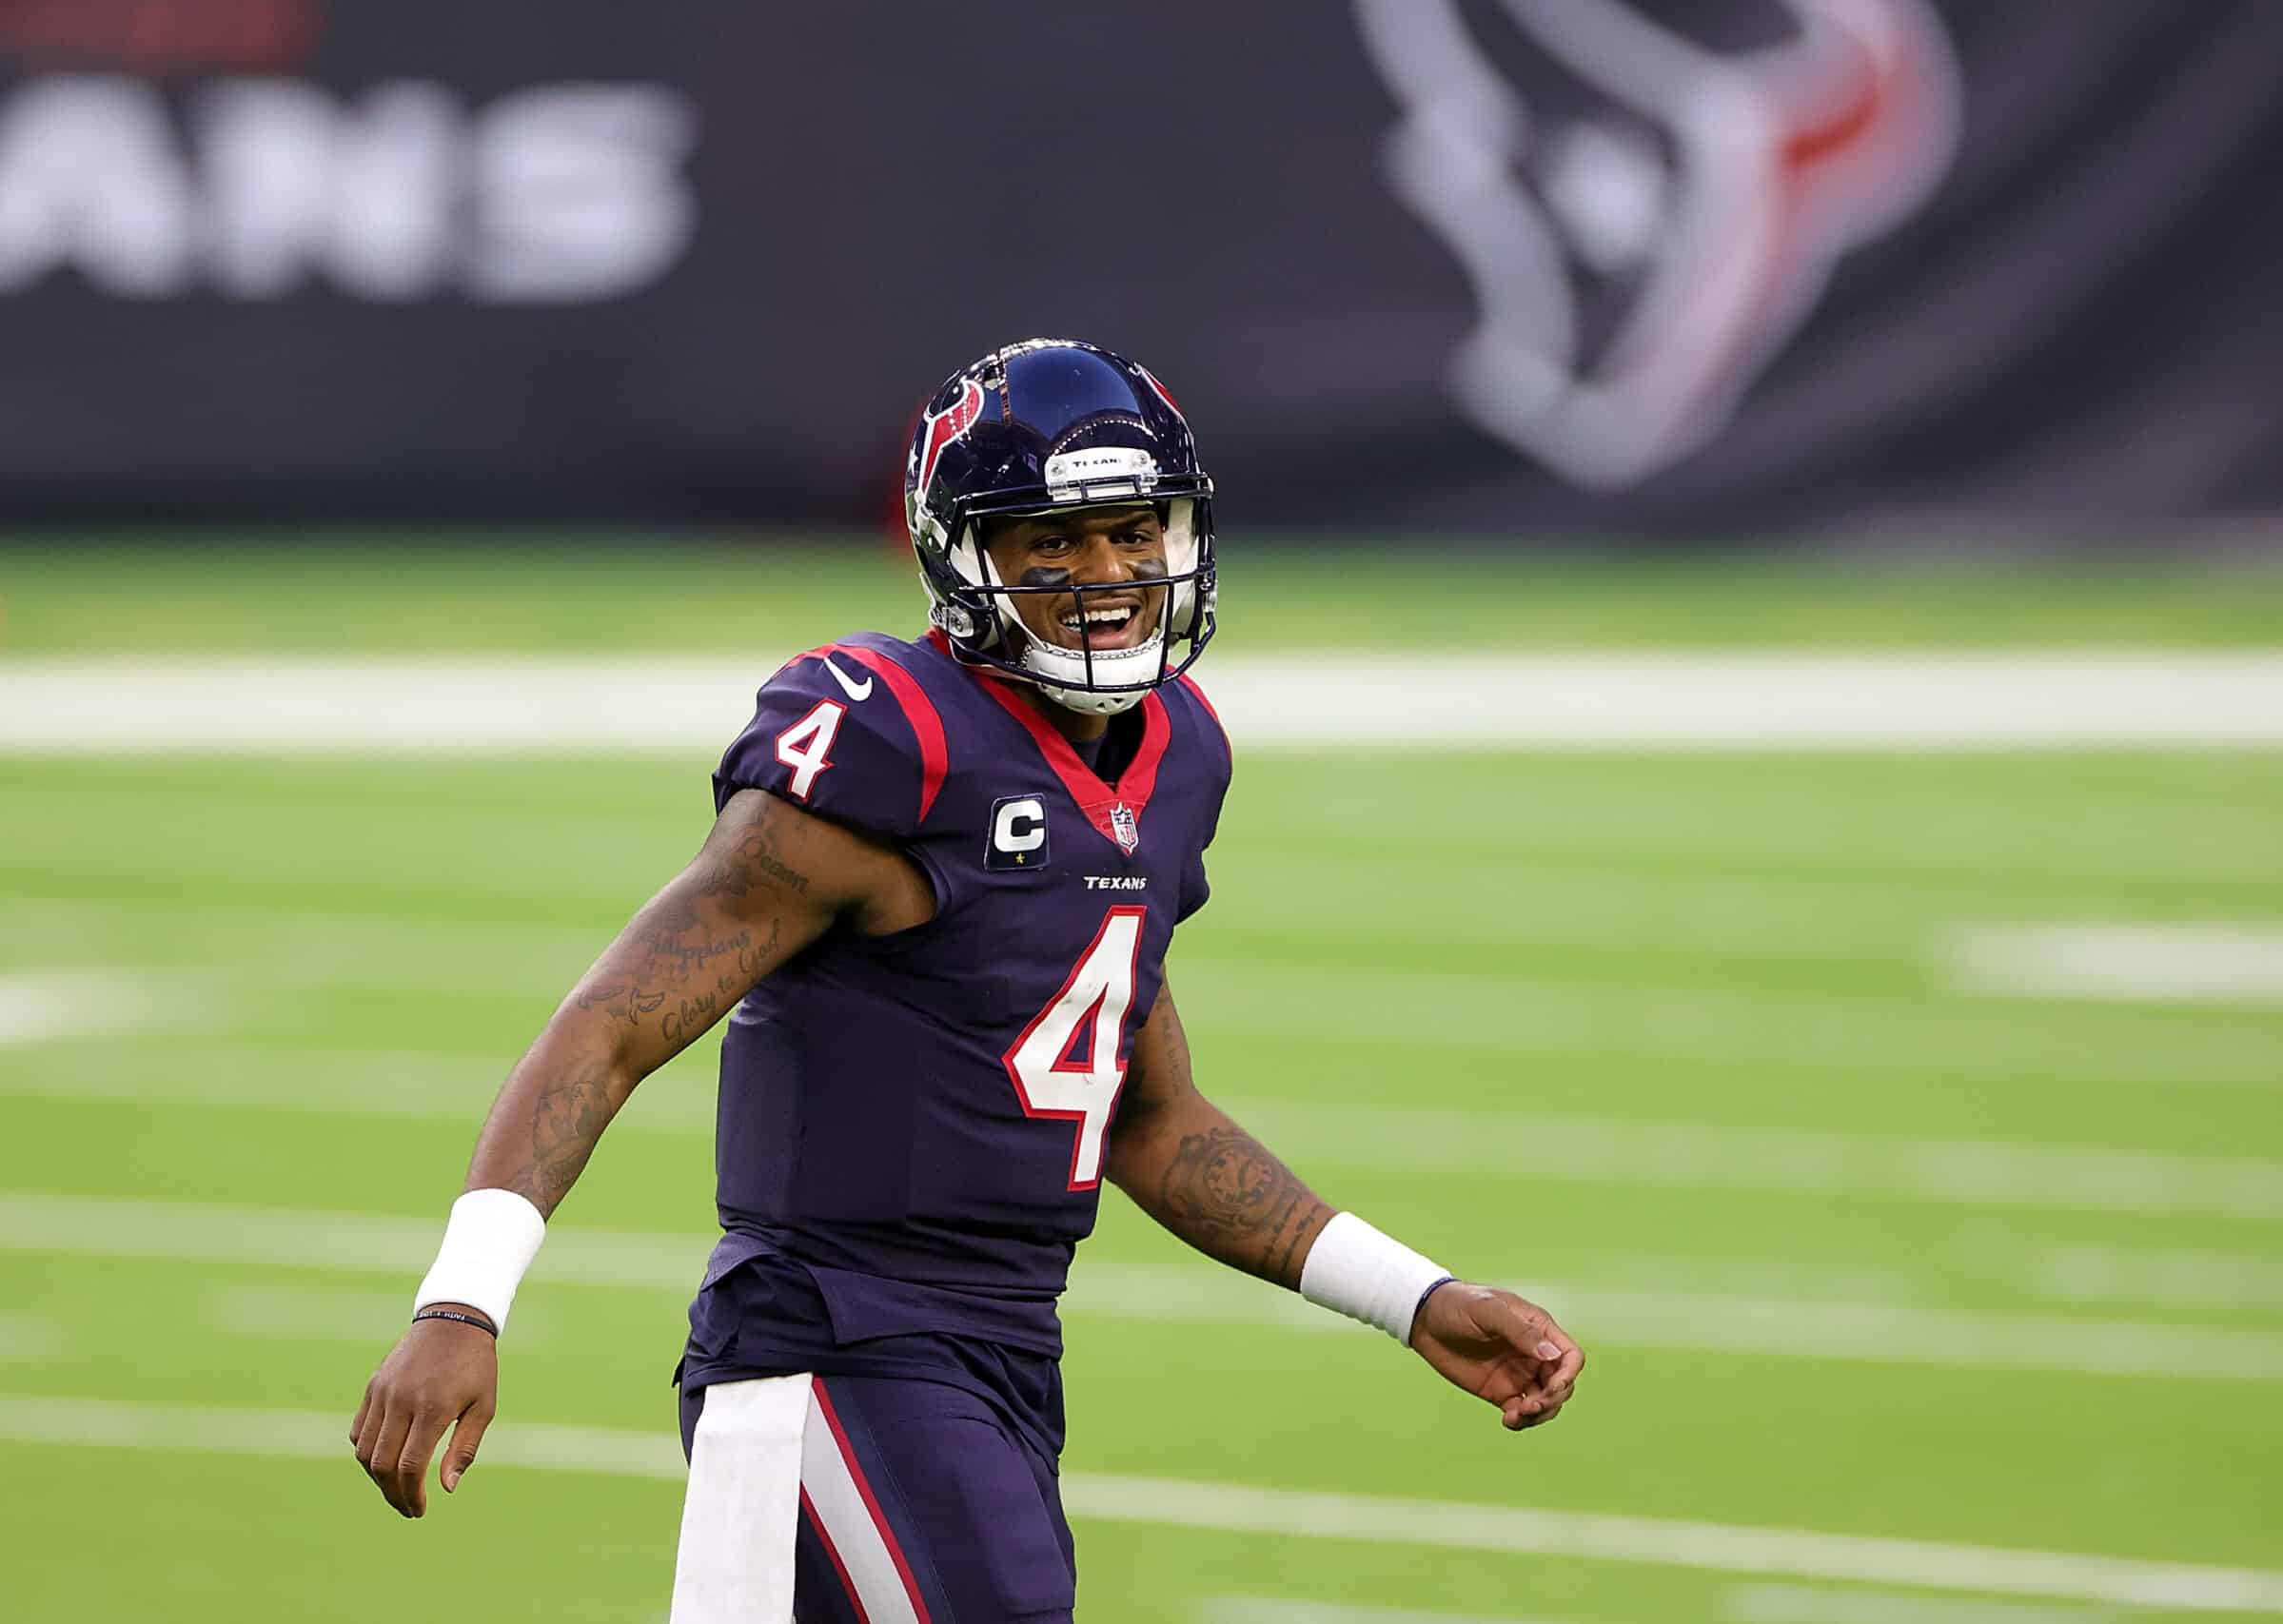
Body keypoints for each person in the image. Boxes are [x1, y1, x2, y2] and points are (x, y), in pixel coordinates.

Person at [350, 338, 1585, 1623]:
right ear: (965, 557)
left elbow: (1153, 1122)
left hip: (1002, 1355)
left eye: (1130, 530)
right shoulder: (897, 740)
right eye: (1053, 541)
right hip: (831, 1346)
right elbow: (611, 1025)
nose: (1105, 575)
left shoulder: (1176, 756)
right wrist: (464, 1298)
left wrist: (1413, 1297)